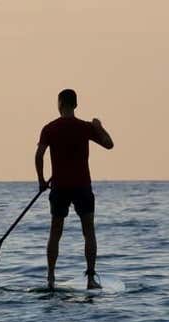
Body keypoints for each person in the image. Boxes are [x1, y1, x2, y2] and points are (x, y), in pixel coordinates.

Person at [35, 89, 114, 290]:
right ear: (76, 105)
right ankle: (90, 279)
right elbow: (109, 144)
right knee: (89, 232)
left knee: (55, 232)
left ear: (60, 104)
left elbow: (39, 155)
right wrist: (100, 127)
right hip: (82, 186)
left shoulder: (49, 128)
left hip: (60, 187)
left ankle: (50, 279)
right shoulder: (85, 127)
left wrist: (42, 181)